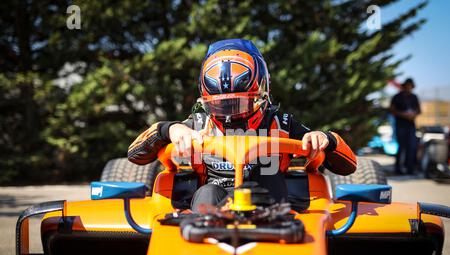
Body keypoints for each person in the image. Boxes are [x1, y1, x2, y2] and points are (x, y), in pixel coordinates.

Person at [128, 39, 357, 211]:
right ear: (205, 101)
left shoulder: (282, 123)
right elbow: (135, 154)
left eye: (239, 103)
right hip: (210, 210)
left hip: (273, 210)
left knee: (265, 178)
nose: (229, 113)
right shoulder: (196, 125)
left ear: (261, 94)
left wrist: (326, 139)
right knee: (207, 192)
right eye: (220, 105)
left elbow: (348, 166)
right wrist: (169, 129)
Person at [390, 78, 421, 175]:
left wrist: (413, 114)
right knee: (401, 147)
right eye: (407, 86)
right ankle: (398, 168)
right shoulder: (397, 97)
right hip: (400, 125)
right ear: (404, 86)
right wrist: (403, 114)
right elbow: (392, 110)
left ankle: (410, 168)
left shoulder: (414, 97)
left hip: (411, 125)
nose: (409, 88)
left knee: (411, 146)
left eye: (410, 86)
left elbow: (419, 110)